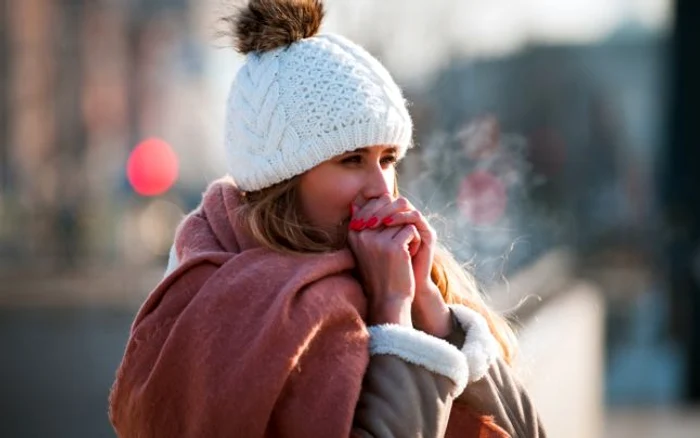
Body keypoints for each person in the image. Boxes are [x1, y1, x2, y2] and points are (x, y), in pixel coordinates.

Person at [109, 1, 546, 437]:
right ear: (283, 181)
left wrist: (433, 311)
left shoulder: (409, 276)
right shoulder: (225, 301)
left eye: (388, 158)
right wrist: (393, 317)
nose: (381, 186)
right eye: (352, 159)